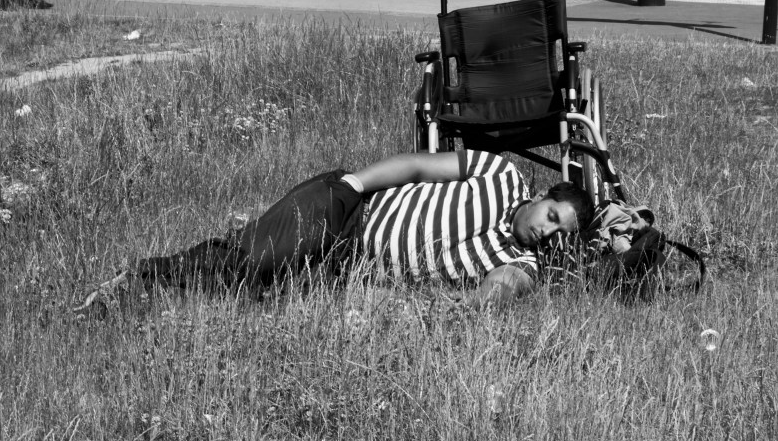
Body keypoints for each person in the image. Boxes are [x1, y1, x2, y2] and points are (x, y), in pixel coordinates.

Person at [74, 149, 593, 314]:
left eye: (559, 236)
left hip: (349, 270)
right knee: (252, 260)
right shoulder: (501, 174)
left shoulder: (523, 263)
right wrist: (352, 185)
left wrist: (478, 304)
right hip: (349, 210)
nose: (547, 233)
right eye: (552, 217)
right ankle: (139, 278)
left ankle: (163, 292)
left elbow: (502, 287)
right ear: (543, 196)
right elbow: (417, 166)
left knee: (258, 298)